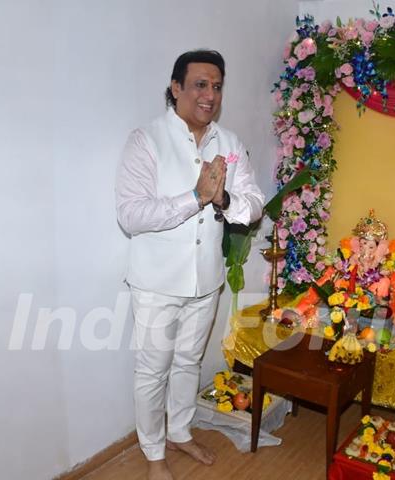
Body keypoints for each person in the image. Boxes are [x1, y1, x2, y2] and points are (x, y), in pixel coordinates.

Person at [115, 50, 264, 480]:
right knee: (153, 369)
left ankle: (180, 432)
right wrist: (196, 196)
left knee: (187, 363)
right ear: (176, 88)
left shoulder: (229, 143)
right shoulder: (145, 140)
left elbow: (253, 205)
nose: (210, 94)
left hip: (206, 280)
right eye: (200, 84)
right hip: (157, 282)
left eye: (217, 86)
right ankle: (154, 453)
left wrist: (226, 198)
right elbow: (132, 214)